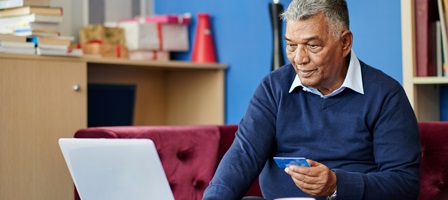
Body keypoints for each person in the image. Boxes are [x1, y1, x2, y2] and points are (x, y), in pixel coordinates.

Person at [202, 0, 421, 200]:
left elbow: (404, 183)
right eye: (291, 45)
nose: (299, 59)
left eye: (313, 46)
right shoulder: (274, 87)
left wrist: (336, 184)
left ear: (344, 43)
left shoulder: (386, 94)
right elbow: (243, 154)